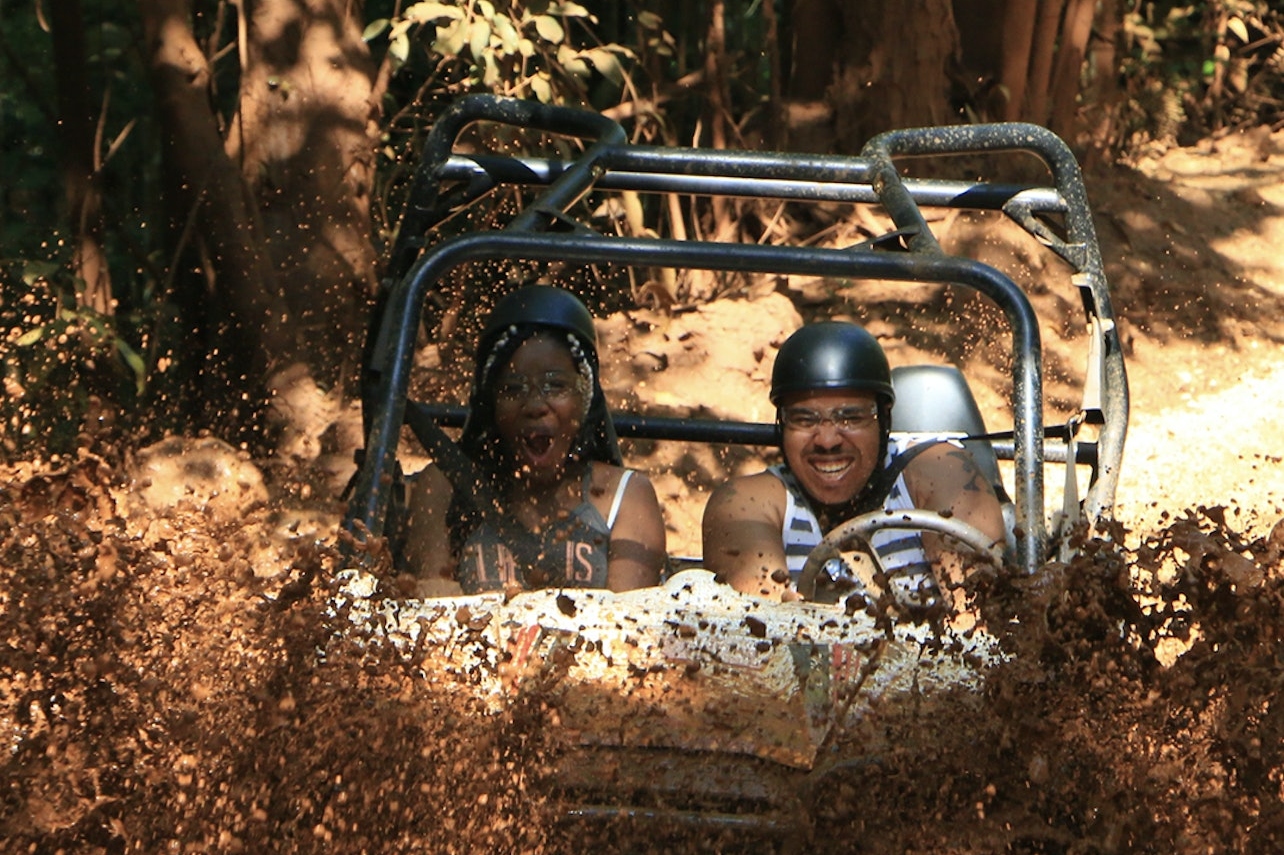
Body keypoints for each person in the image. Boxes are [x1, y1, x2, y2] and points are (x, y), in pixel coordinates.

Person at [701, 321, 1006, 605]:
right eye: (804, 420)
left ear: (883, 421)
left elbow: (977, 624)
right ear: (782, 426)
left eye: (850, 418)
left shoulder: (940, 472)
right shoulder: (746, 505)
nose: (827, 440)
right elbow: (763, 627)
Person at [402, 285, 666, 595]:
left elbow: (628, 619)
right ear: (492, 404)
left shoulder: (626, 497)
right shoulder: (445, 487)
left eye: (555, 386)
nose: (535, 405)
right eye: (513, 389)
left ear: (584, 399)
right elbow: (434, 604)